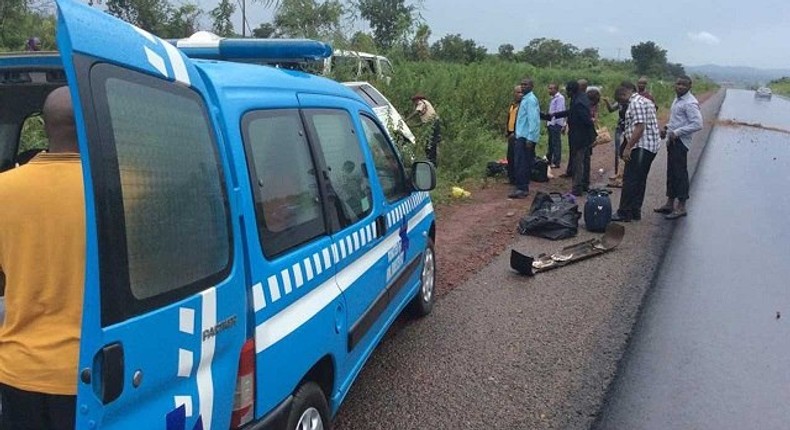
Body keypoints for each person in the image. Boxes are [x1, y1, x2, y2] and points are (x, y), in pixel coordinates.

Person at [0, 86, 85, 430]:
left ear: (45, 126)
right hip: (89, 371)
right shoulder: (121, 188)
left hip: (18, 369)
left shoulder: (4, 190)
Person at [654, 75, 703, 220]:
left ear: (690, 86)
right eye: (678, 84)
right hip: (672, 140)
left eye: (684, 85)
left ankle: (681, 206)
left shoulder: (690, 103)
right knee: (671, 172)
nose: (680, 87)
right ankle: (670, 203)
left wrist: (677, 132)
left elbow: (697, 124)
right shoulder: (678, 99)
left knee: (680, 173)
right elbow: (677, 120)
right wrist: (667, 128)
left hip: (681, 142)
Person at [611, 84, 661, 222]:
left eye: (620, 100)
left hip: (641, 147)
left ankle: (624, 212)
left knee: (630, 179)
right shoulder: (646, 101)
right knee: (640, 179)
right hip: (650, 146)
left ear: (623, 95)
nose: (622, 103)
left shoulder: (635, 104)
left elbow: (640, 127)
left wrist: (628, 147)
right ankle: (635, 210)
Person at [551, 80, 596, 196]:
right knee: (585, 160)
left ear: (572, 91)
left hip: (580, 136)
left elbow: (586, 119)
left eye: (567, 91)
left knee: (578, 162)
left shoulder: (578, 102)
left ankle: (577, 188)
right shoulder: (581, 98)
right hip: (584, 136)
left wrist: (592, 132)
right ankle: (585, 184)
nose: (566, 94)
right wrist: (554, 115)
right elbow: (572, 112)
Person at [509, 78, 540, 199]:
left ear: (531, 86)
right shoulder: (525, 99)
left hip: (525, 137)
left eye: (525, 85)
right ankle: (521, 186)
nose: (523, 87)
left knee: (522, 163)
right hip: (521, 135)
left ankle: (522, 188)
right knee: (521, 162)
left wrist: (530, 138)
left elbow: (534, 120)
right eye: (522, 85)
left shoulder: (531, 100)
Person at [603, 81, 637, 187]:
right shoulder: (622, 102)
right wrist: (607, 101)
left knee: (626, 151)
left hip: (629, 129)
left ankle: (623, 176)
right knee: (618, 152)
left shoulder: (633, 102)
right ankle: (618, 174)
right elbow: (611, 109)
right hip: (620, 127)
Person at [407, 94, 441, 167]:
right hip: (434, 123)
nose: (414, 104)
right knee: (432, 144)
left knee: (430, 144)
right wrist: (412, 126)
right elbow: (423, 123)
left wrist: (406, 119)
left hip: (433, 124)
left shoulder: (421, 103)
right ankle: (432, 162)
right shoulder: (426, 105)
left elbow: (417, 112)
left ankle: (431, 162)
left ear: (417, 100)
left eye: (414, 102)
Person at [546, 83, 566, 169]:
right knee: (551, 143)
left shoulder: (560, 98)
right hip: (551, 123)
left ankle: (556, 161)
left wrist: (560, 124)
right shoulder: (553, 98)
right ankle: (549, 160)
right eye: (549, 88)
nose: (549, 90)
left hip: (556, 123)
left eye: (551, 89)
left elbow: (559, 112)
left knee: (556, 143)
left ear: (556, 89)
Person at [505, 85, 523, 184]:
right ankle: (511, 178)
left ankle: (518, 179)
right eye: (518, 92)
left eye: (521, 92)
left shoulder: (523, 106)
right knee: (510, 157)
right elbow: (509, 118)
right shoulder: (512, 105)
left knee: (518, 158)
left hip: (518, 135)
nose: (519, 95)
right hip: (510, 134)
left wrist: (515, 132)